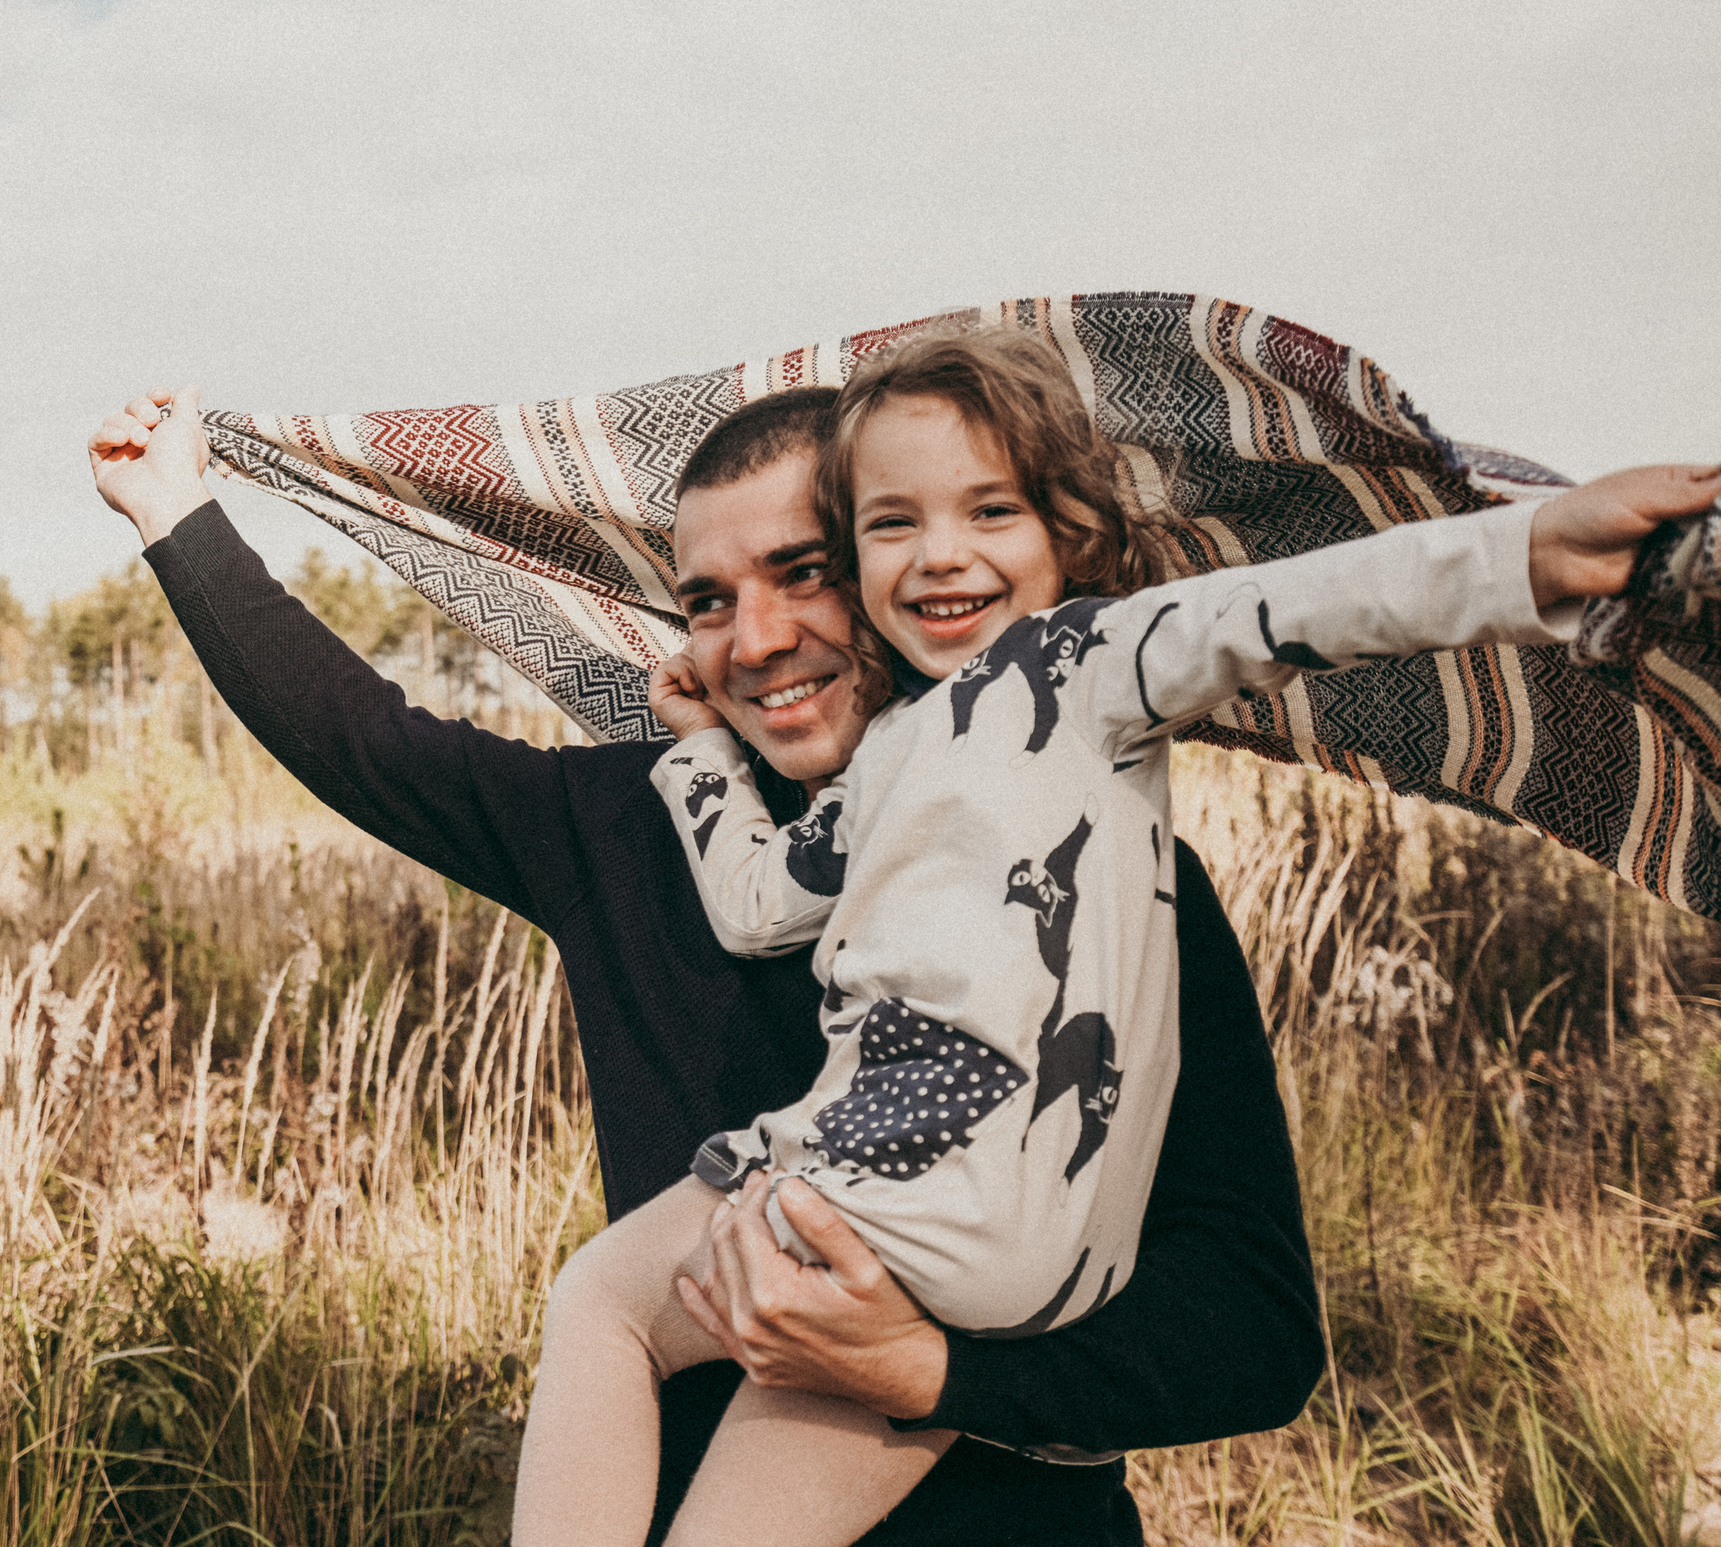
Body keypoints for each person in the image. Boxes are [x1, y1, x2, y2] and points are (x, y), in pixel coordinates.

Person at [508, 328, 1721, 1547]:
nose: (940, 555)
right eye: (890, 525)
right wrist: (708, 751)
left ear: (1070, 542)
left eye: (989, 511)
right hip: (1004, 1252)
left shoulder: (1080, 662)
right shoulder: (888, 763)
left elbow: (1295, 605)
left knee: (599, 1303)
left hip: (897, 1197)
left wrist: (1534, 551)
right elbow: (762, 900)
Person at [87, 380, 1323, 1546]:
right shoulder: (621, 826)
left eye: (805, 574)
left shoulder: (1089, 870)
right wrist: (175, 514)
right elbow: (368, 744)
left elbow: (1254, 1329)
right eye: (709, 600)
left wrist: (930, 1370)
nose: (759, 639)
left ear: (898, 573)